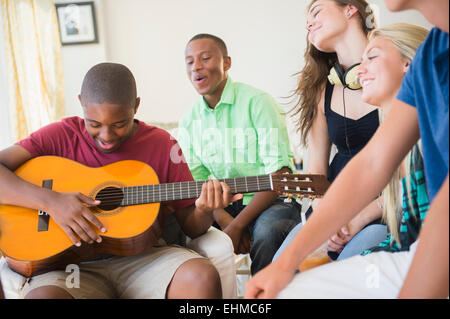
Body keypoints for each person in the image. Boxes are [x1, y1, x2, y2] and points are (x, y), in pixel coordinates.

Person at [245, 0, 448, 299]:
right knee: (281, 291)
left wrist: (362, 216)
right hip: (411, 244)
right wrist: (286, 264)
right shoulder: (433, 53)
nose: (360, 73)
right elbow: (371, 164)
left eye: (372, 58)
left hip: (413, 238)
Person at [0, 62, 242, 299]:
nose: (106, 136)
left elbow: (192, 226)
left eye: (119, 124)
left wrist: (205, 209)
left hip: (144, 259)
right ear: (81, 103)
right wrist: (51, 202)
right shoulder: (59, 136)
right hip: (71, 268)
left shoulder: (161, 144)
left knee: (200, 277)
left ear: (135, 106)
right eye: (94, 124)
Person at [178, 33, 301, 275]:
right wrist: (225, 221)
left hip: (271, 201)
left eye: (205, 58)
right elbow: (200, 185)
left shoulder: (258, 102)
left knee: (268, 232)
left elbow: (279, 175)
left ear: (227, 63)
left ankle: (264, 297)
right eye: (190, 61)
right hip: (223, 207)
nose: (197, 67)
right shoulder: (189, 120)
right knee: (182, 234)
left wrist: (237, 226)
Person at [275, 0, 387, 263]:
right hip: (333, 213)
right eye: (307, 20)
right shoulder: (321, 91)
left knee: (338, 276)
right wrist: (327, 215)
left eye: (316, 11)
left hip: (385, 212)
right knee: (281, 268)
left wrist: (356, 221)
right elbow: (315, 172)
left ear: (350, 9)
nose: (308, 23)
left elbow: (410, 175)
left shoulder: (394, 73)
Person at [356, 23, 429, 255]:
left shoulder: (430, 136)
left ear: (407, 63)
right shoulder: (395, 139)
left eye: (372, 57)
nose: (359, 70)